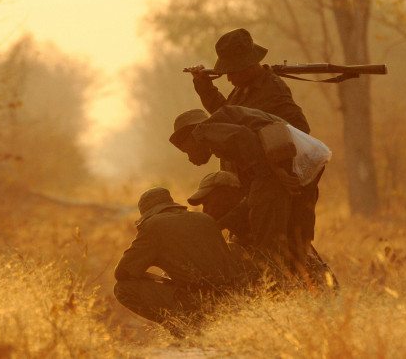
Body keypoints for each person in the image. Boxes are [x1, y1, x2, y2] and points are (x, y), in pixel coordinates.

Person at [186, 28, 320, 261]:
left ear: (247, 66)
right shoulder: (244, 88)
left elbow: (300, 134)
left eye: (231, 72)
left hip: (275, 188)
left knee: (278, 255)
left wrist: (274, 164)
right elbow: (226, 115)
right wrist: (204, 86)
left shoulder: (273, 92)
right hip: (251, 184)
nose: (227, 78)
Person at [169, 105, 299, 265]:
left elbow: (247, 141)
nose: (189, 158)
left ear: (192, 137)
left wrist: (277, 170)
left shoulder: (214, 135)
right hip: (271, 185)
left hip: (275, 184)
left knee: (270, 250)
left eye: (187, 150)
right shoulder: (225, 154)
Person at [113, 187, 244, 337]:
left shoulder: (153, 226)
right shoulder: (205, 219)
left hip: (197, 303)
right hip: (232, 299)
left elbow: (122, 273)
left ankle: (182, 327)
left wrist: (157, 278)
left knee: (122, 289)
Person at [187, 171, 339, 290]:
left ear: (228, 194)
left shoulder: (261, 221)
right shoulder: (238, 233)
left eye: (208, 203)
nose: (205, 210)